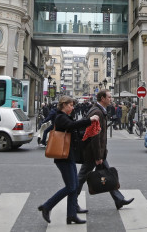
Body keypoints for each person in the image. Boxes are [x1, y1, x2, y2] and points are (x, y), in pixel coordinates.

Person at [38, 96, 99, 225]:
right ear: (63, 105)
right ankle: (47, 206)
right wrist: (89, 120)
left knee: (74, 186)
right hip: (62, 157)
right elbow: (72, 125)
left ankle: (71, 215)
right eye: (70, 105)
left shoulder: (64, 117)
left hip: (68, 156)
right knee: (71, 186)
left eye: (73, 105)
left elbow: (74, 133)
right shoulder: (60, 117)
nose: (72, 107)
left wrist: (89, 134)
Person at [75, 90, 134, 210]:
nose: (111, 99)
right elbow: (95, 136)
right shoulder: (98, 112)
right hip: (93, 153)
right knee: (81, 178)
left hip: (97, 152)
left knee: (109, 174)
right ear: (102, 98)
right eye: (109, 97)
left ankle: (119, 199)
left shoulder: (98, 110)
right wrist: (98, 157)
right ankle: (72, 202)